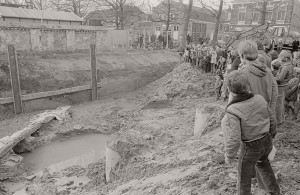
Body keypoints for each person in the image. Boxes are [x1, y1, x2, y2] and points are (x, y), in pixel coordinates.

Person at [222, 70, 280, 195]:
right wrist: (272, 135)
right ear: (247, 85)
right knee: (264, 165)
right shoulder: (259, 99)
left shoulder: (233, 110)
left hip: (250, 147)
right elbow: (272, 119)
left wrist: (229, 155)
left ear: (230, 90)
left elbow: (234, 137)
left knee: (243, 179)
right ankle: (275, 192)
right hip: (266, 140)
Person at [237, 40, 278, 115]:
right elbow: (275, 92)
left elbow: (239, 99)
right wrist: (271, 111)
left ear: (243, 56)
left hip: (250, 116)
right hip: (265, 113)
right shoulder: (268, 70)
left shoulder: (242, 73)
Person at [276, 50, 296, 124]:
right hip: (286, 86)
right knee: (283, 103)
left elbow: (280, 79)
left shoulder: (285, 67)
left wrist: (273, 78)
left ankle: (279, 119)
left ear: (286, 58)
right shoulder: (291, 66)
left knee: (279, 103)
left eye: (281, 57)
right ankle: (282, 117)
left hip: (281, 87)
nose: (280, 59)